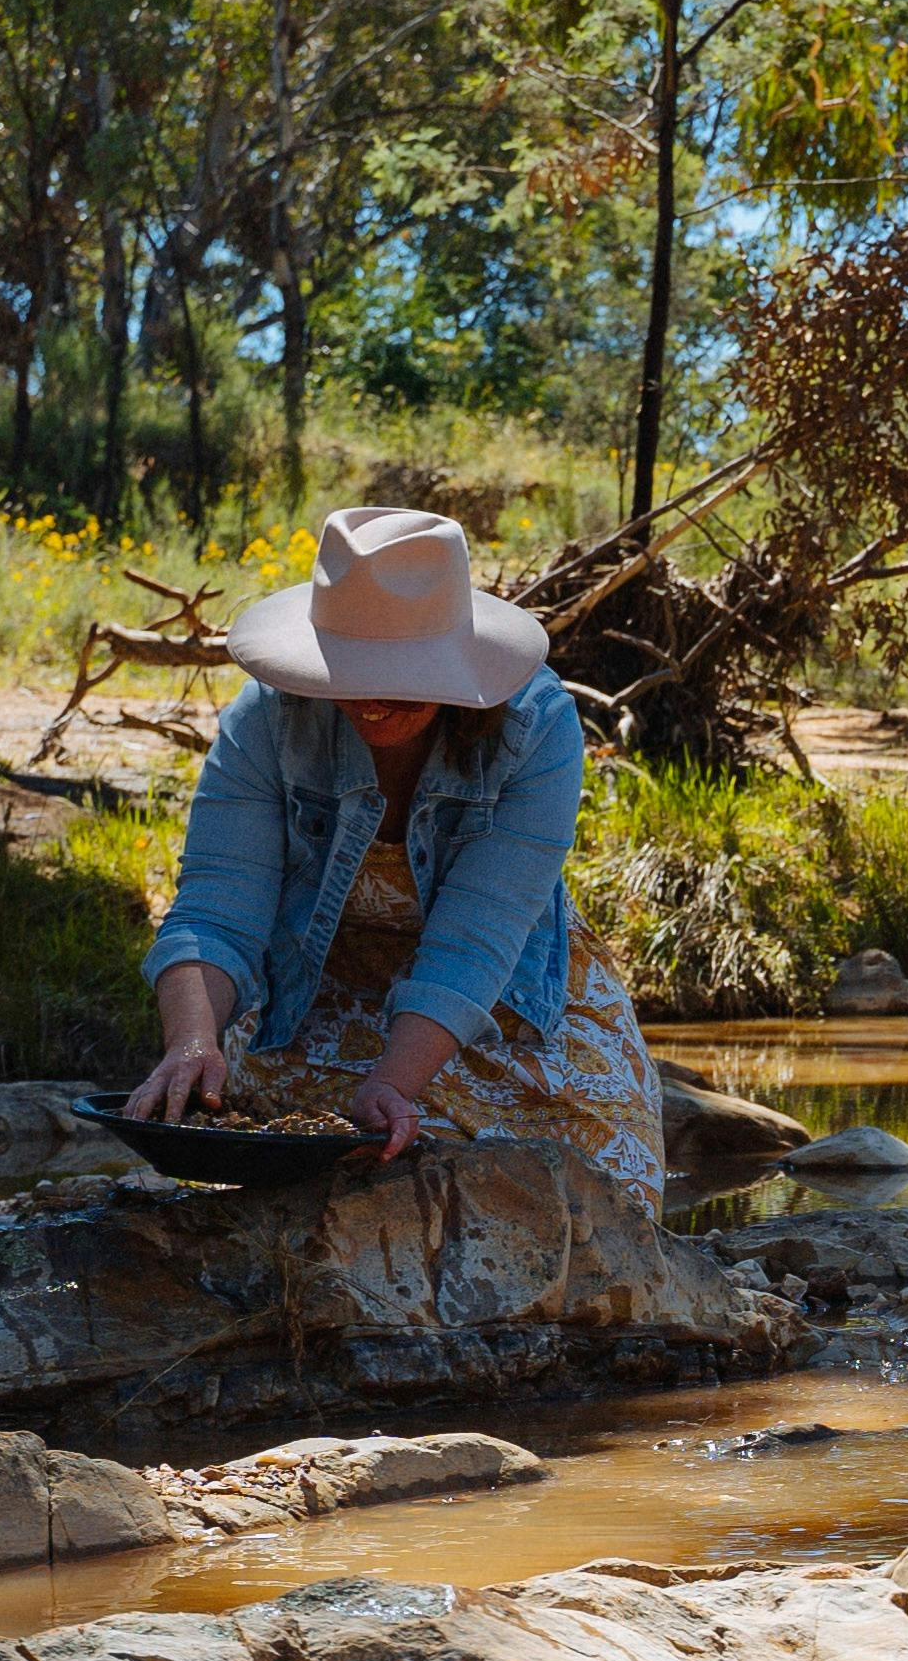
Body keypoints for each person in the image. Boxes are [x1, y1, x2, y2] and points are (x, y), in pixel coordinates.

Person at [123, 503, 667, 1192]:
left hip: (499, 982)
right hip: (317, 975)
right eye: (353, 672)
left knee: (603, 1178)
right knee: (310, 1166)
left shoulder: (537, 727)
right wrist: (192, 1042)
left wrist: (391, 1081)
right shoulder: (266, 718)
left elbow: (481, 933)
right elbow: (217, 907)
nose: (374, 699)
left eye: (404, 674)